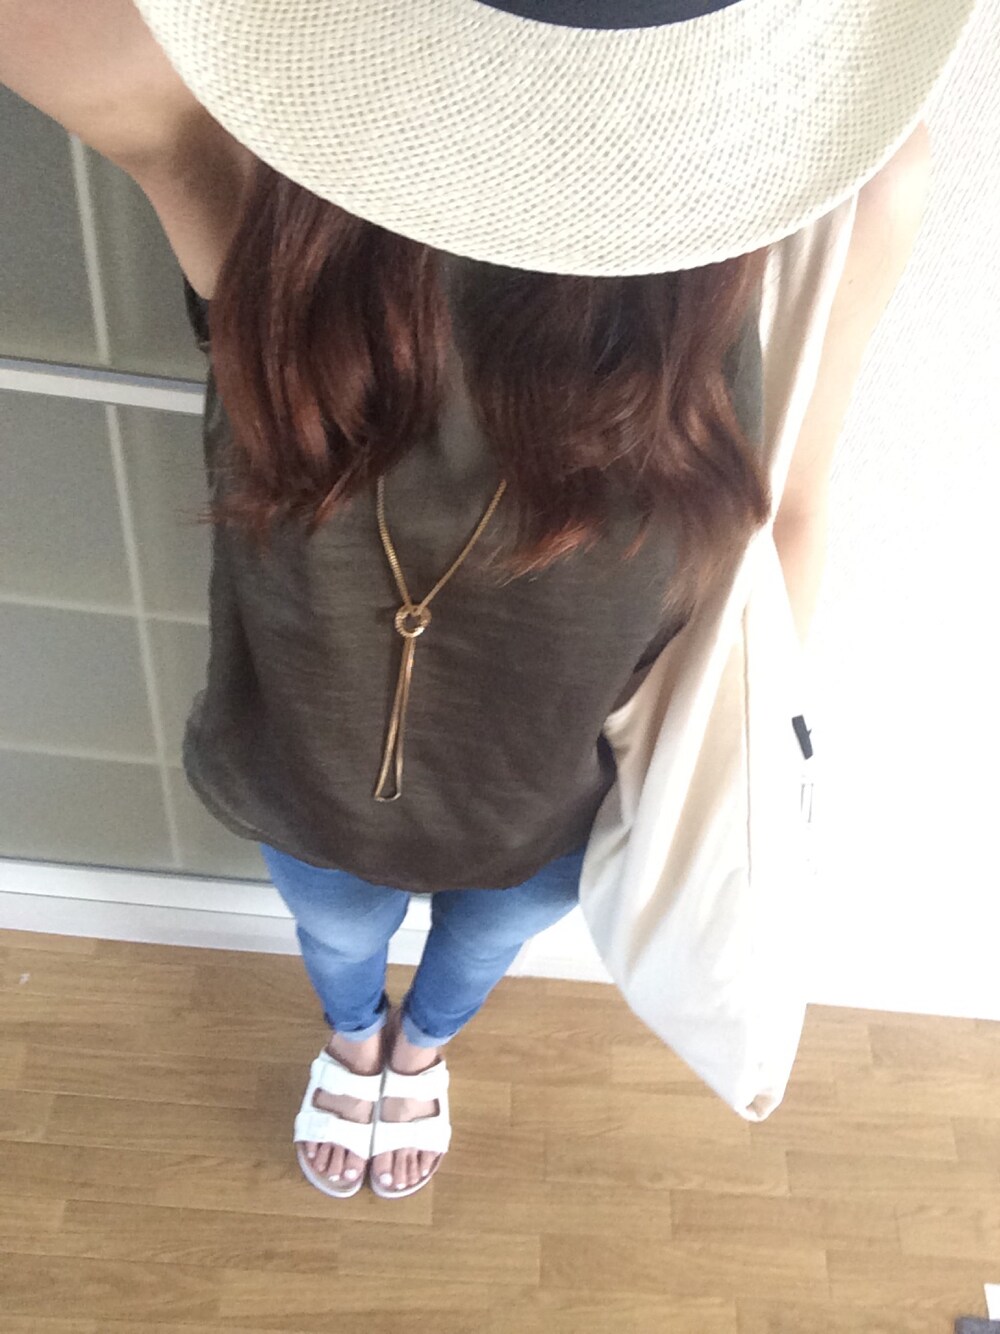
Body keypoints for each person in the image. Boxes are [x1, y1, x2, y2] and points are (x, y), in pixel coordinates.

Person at [1, 0, 972, 1202]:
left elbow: (790, 517)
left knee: (482, 945)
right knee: (339, 935)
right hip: (304, 773)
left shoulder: (833, 188)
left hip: (560, 796)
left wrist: (742, 754)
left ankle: (421, 1048)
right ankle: (353, 1038)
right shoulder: (270, 147)